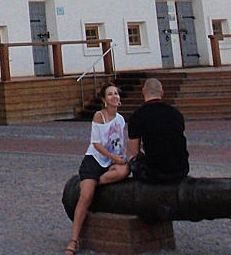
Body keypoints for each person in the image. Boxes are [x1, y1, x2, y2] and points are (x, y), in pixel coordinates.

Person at [66, 83, 129, 254]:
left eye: (116, 93)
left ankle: (96, 183)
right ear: (104, 99)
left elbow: (121, 143)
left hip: (111, 162)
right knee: (86, 196)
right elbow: (97, 144)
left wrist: (122, 157)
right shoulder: (99, 116)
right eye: (110, 94)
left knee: (124, 171)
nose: (115, 97)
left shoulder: (121, 119)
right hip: (95, 160)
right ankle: (73, 240)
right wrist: (114, 158)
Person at [126, 77, 190, 184]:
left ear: (143, 92)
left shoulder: (136, 116)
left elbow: (135, 152)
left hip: (155, 171)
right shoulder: (175, 113)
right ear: (162, 93)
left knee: (132, 160)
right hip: (181, 169)